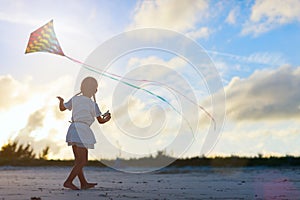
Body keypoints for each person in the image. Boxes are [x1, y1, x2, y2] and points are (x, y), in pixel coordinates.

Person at [57, 76, 111, 190]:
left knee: (78, 161)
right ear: (95, 90)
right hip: (82, 131)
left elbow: (62, 108)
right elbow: (100, 121)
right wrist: (107, 118)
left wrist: (61, 101)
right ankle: (68, 181)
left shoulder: (75, 99)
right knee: (83, 161)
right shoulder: (93, 104)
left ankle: (83, 183)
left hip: (72, 129)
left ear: (81, 88)